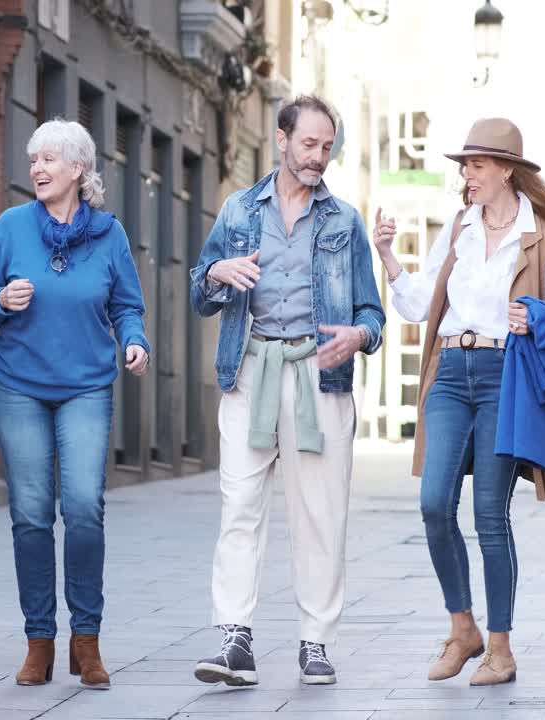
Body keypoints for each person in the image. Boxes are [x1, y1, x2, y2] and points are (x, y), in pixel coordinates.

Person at [372, 117, 545, 686]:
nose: (466, 174)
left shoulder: (541, 235)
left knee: (490, 514)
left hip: (504, 376)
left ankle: (501, 648)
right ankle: (462, 626)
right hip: (450, 372)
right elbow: (424, 302)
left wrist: (537, 317)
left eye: (475, 164)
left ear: (505, 169)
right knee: (432, 503)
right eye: (465, 165)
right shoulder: (460, 229)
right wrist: (390, 258)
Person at [189, 95, 386, 687]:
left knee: (319, 514)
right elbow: (201, 291)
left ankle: (316, 642)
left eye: (327, 147)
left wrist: (357, 335)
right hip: (250, 372)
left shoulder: (344, 221)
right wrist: (217, 274)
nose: (319, 157)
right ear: (281, 139)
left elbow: (372, 315)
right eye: (309, 144)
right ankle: (235, 641)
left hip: (318, 377)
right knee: (239, 507)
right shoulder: (239, 211)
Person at [0, 119, 149, 690]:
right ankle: (39, 642)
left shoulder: (109, 234)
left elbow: (127, 305)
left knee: (82, 507)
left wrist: (135, 341)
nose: (37, 169)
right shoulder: (12, 226)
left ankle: (87, 640)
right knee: (29, 512)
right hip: (19, 384)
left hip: (86, 385)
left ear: (78, 168)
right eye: (33, 160)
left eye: (49, 159)